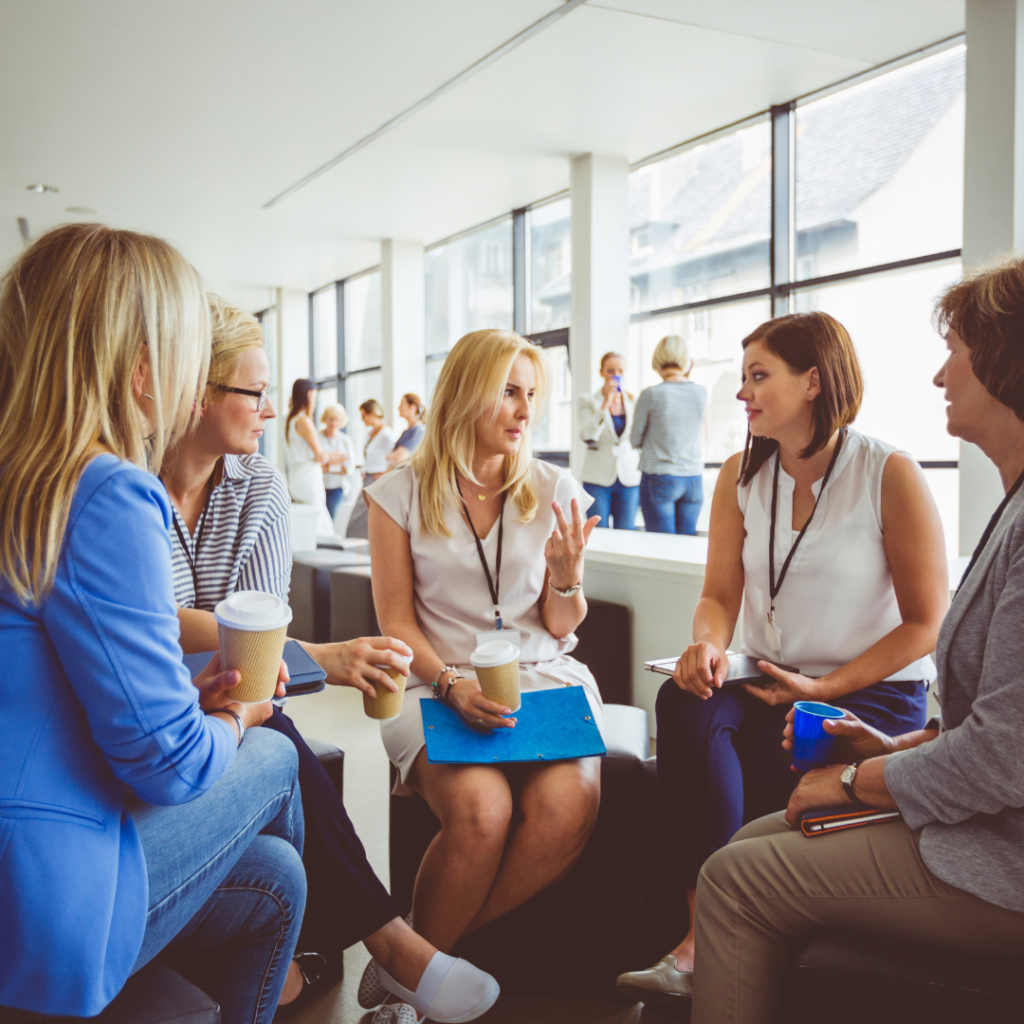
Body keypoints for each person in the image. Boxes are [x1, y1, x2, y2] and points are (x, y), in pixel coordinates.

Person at [686, 257, 1024, 1024]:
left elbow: (1003, 753)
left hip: (1003, 853)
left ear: (1008, 365)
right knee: (731, 823)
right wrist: (892, 750)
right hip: (964, 792)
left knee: (735, 882)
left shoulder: (895, 473)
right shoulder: (1012, 510)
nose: (940, 377)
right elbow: (993, 725)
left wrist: (850, 784)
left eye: (957, 356)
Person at [161, 295, 499, 1024]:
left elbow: (253, 651)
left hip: (234, 708)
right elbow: (141, 631)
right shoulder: (125, 491)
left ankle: (380, 951)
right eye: (254, 392)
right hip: (158, 710)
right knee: (279, 745)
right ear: (196, 393)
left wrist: (252, 659)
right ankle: (394, 947)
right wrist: (316, 654)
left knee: (267, 731)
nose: (268, 410)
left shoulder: (260, 489)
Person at [0, 224, 304, 1024]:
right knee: (272, 750)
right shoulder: (105, 491)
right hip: (36, 901)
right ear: (142, 367)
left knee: (277, 877)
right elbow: (167, 767)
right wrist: (237, 714)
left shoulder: (23, 480)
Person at [617, 311, 948, 1009]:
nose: (742, 393)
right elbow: (718, 594)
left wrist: (825, 684)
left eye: (759, 376)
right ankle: (701, 935)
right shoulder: (741, 473)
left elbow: (926, 623)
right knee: (684, 699)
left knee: (732, 735)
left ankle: (722, 934)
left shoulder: (888, 473)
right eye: (743, 378)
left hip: (869, 693)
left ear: (814, 382)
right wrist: (707, 643)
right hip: (768, 679)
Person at [365, 329, 604, 966]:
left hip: (543, 673)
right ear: (466, 394)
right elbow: (396, 621)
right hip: (434, 680)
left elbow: (560, 621)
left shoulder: (557, 490)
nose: (526, 411)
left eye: (532, 394)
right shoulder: (398, 495)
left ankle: (416, 957)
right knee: (481, 812)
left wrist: (567, 576)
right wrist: (452, 684)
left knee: (567, 804)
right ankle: (423, 969)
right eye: (508, 393)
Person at [631, 334, 708, 534]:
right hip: (693, 479)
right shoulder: (700, 392)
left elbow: (634, 439)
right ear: (685, 359)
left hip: (660, 477)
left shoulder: (651, 394)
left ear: (657, 359)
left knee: (661, 546)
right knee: (685, 545)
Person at [576, 351, 641, 529]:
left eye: (620, 371)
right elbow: (587, 435)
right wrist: (605, 404)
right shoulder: (588, 401)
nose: (616, 376)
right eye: (611, 371)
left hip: (628, 476)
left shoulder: (633, 401)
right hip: (597, 478)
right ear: (601, 373)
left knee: (626, 532)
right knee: (598, 532)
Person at [284, 378, 333, 534]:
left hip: (295, 479)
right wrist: (333, 456)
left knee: (309, 524)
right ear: (309, 394)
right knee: (319, 525)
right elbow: (321, 456)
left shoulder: (289, 420)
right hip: (309, 480)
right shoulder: (304, 421)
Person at [321, 403, 357, 527]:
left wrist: (328, 465)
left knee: (331, 519)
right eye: (330, 419)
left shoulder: (345, 440)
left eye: (337, 420)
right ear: (325, 419)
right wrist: (336, 461)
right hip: (320, 486)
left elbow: (349, 468)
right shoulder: (317, 437)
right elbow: (315, 465)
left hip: (337, 488)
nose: (333, 423)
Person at [361, 398, 399, 484]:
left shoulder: (386, 434)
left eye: (363, 416)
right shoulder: (369, 434)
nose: (362, 419)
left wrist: (385, 474)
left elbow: (396, 459)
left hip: (378, 478)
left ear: (372, 414)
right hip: (368, 476)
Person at [386, 393, 427, 468]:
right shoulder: (407, 432)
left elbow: (398, 457)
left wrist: (389, 455)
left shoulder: (418, 431)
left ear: (412, 407)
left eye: (402, 404)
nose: (398, 408)